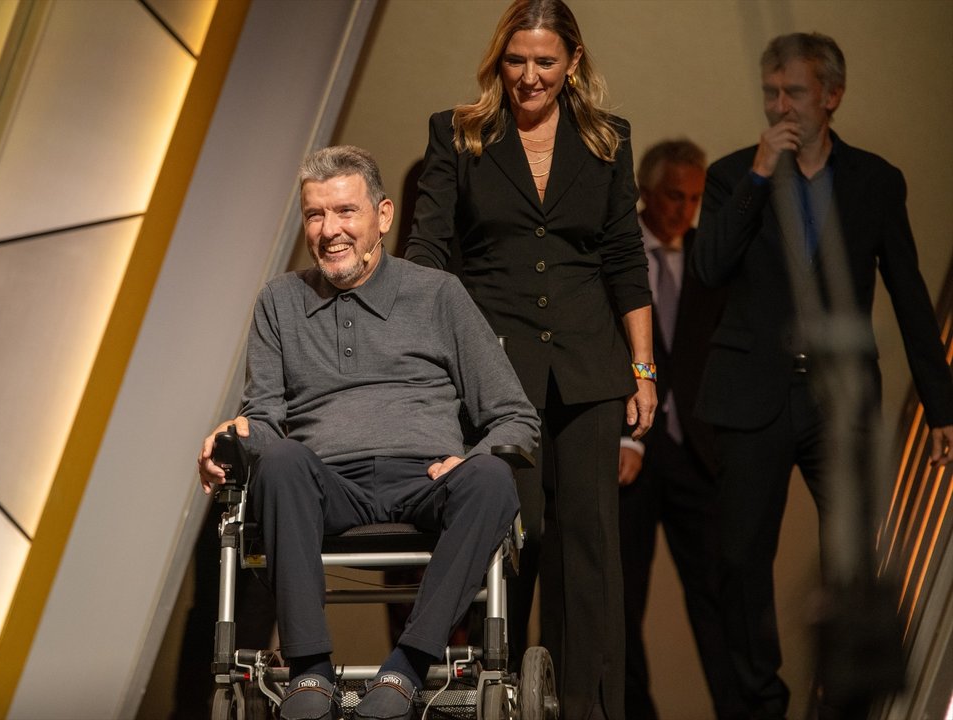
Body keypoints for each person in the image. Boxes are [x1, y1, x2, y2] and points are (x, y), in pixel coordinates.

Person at [197, 145, 540, 720]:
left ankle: (404, 670)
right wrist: (230, 438)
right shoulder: (279, 302)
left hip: (428, 478)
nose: (330, 231)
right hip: (327, 483)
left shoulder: (438, 295)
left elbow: (516, 417)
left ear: (382, 215)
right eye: (315, 215)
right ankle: (309, 672)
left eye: (346, 213)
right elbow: (265, 419)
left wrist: (470, 457)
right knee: (278, 461)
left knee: (492, 478)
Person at [404, 2, 656, 717]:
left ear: (573, 62)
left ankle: (586, 706)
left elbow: (624, 259)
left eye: (546, 62)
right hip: (494, 367)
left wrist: (644, 370)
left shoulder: (608, 139)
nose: (530, 76)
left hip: (589, 366)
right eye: (517, 60)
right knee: (521, 532)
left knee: (590, 544)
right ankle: (501, 695)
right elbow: (427, 250)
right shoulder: (460, 134)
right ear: (499, 60)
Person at [692, 32, 953, 719]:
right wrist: (756, 176)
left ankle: (842, 705)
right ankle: (760, 705)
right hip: (752, 396)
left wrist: (942, 407)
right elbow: (708, 268)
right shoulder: (729, 176)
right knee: (742, 563)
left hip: (839, 399)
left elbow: (910, 294)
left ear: (831, 97)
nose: (781, 106)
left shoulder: (874, 181)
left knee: (853, 562)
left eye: (795, 93)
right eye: (771, 93)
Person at [616, 139, 742, 720]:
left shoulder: (710, 256)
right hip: (630, 451)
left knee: (719, 597)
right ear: (644, 189)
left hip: (698, 451)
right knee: (621, 602)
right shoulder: (614, 254)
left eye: (694, 199)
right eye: (674, 196)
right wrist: (625, 434)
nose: (684, 211)